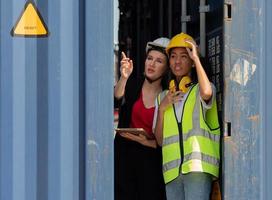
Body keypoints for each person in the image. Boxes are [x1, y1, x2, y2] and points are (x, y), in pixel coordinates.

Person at [153, 32, 221, 200]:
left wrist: (197, 59)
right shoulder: (162, 98)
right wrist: (162, 109)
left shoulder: (201, 89)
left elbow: (207, 92)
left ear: (191, 61)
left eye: (184, 56)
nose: (177, 61)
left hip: (197, 168)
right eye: (173, 56)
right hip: (172, 172)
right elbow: (160, 140)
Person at [114, 37, 170, 200]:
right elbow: (116, 97)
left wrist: (148, 142)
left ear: (166, 69)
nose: (152, 64)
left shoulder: (167, 95)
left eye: (159, 61)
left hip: (151, 163)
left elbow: (168, 138)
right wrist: (124, 77)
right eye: (150, 59)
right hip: (125, 158)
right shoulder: (132, 85)